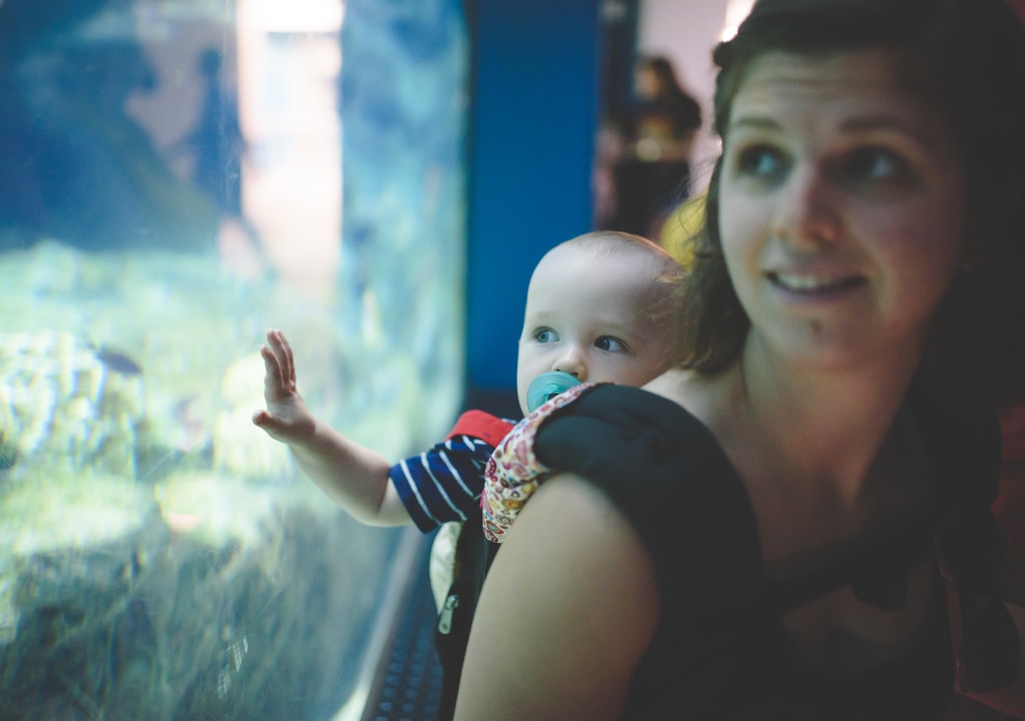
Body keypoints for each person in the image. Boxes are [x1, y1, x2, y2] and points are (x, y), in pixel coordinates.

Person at [454, 0, 1025, 718]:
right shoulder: (600, 523)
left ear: (984, 213)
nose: (798, 215)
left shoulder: (942, 434)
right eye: (761, 156)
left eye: (874, 162)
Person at [252, 230, 684, 718]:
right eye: (545, 334)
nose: (567, 360)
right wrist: (308, 436)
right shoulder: (486, 457)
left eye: (608, 342)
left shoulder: (672, 472)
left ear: (672, 376)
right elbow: (379, 494)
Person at [606, 55, 703, 239]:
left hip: (672, 184)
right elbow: (624, 146)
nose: (642, 82)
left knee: (670, 235)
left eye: (646, 76)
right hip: (639, 188)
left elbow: (686, 148)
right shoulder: (636, 109)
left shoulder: (685, 106)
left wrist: (654, 150)